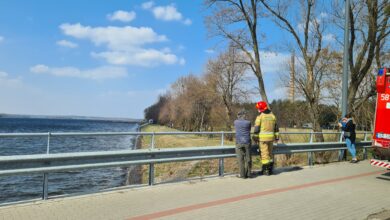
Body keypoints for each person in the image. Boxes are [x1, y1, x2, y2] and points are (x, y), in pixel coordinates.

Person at [253, 101, 279, 176]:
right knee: (270, 154)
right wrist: (277, 137)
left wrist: (255, 138)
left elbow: (256, 129)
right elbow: (276, 128)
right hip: (271, 139)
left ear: (261, 109)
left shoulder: (260, 116)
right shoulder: (272, 116)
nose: (258, 110)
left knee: (264, 155)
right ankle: (271, 170)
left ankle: (265, 171)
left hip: (263, 139)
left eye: (258, 108)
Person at [234, 110, 252, 178]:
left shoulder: (235, 122)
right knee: (248, 158)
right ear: (244, 116)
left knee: (240, 159)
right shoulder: (248, 122)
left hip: (239, 142)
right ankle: (249, 174)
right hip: (247, 141)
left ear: (238, 116)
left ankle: (242, 175)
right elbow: (249, 130)